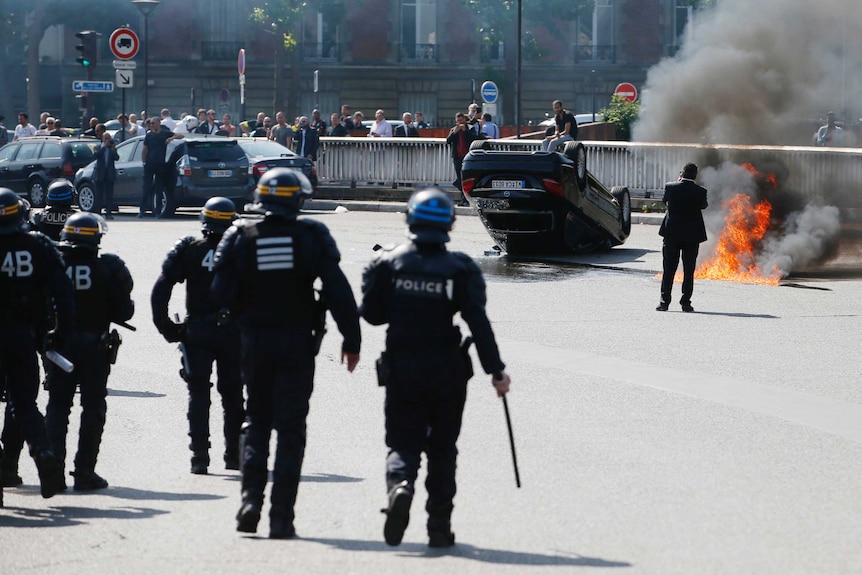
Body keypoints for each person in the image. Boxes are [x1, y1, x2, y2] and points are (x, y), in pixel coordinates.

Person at [212, 168, 361, 539]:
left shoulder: (240, 235)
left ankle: (249, 501)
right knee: (291, 430)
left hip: (255, 342)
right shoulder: (312, 235)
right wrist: (352, 340)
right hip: (297, 343)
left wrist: (246, 309)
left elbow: (218, 292)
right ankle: (281, 519)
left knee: (257, 422)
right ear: (298, 200)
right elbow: (338, 291)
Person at [360, 188, 511, 547]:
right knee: (443, 450)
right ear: (449, 224)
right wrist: (496, 371)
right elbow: (478, 322)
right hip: (448, 370)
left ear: (410, 218)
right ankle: (439, 529)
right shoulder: (460, 267)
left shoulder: (388, 262)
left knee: (402, 441)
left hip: (403, 367)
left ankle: (400, 484)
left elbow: (372, 315)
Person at [151, 198, 244, 475]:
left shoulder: (190, 249)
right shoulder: (242, 250)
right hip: (233, 332)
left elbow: (160, 289)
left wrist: (167, 328)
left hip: (198, 331)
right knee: (233, 394)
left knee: (198, 394)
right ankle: (234, 455)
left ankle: (199, 458)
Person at [45, 212, 134, 491]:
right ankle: (84, 471)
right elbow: (125, 310)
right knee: (93, 408)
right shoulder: (108, 267)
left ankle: (54, 473)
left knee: (57, 408)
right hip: (95, 348)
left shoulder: (53, 267)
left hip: (59, 346)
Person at [0, 187, 73, 500]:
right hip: (22, 336)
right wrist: (58, 333)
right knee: (24, 405)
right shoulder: (38, 244)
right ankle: (43, 455)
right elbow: (64, 294)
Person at [657, 162, 708, 313]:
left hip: (672, 234)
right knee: (688, 270)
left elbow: (664, 201)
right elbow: (704, 205)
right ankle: (686, 303)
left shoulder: (671, 187)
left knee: (668, 269)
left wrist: (678, 182)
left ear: (682, 173)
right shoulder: (700, 191)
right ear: (695, 176)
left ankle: (664, 302)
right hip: (692, 237)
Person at [139, 120, 183, 218]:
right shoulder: (149, 135)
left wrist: (171, 138)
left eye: (153, 123)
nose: (151, 125)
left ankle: (157, 212)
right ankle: (142, 211)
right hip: (150, 164)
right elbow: (144, 149)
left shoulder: (165, 134)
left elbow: (180, 136)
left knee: (159, 189)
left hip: (160, 164)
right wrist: (144, 162)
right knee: (146, 188)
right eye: (151, 124)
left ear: (158, 123)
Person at [446, 112, 481, 206]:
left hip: (467, 157)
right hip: (457, 157)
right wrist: (454, 133)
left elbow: (474, 139)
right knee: (459, 179)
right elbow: (448, 141)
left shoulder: (470, 128)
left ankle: (467, 199)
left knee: (466, 179)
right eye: (457, 121)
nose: (459, 123)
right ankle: (463, 199)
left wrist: (465, 131)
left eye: (461, 121)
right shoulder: (454, 129)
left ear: (464, 120)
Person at [94, 131, 120, 219]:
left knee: (109, 194)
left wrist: (113, 149)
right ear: (102, 139)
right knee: (99, 194)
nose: (108, 141)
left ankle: (108, 213)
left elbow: (117, 158)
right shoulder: (98, 147)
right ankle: (98, 213)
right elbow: (96, 155)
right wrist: (104, 147)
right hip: (100, 174)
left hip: (109, 173)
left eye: (109, 139)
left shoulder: (111, 148)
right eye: (106, 139)